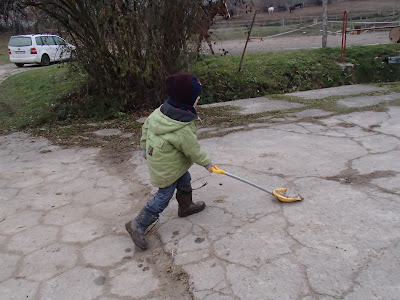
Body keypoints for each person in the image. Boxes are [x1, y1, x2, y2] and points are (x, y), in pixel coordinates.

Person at [125, 73, 214, 250]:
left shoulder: (161, 111)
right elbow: (193, 149)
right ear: (187, 99)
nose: (198, 100)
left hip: (165, 160)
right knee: (163, 196)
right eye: (196, 97)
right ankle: (138, 224)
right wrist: (207, 163)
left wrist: (144, 147)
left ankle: (186, 206)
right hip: (166, 167)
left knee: (184, 179)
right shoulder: (182, 128)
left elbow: (146, 128)